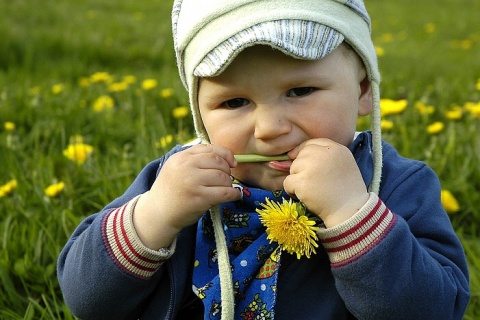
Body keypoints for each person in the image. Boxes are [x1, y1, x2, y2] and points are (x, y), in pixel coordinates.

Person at [57, 0, 470, 319]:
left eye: (301, 90)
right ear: (200, 112)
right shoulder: (177, 181)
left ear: (363, 89)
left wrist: (352, 213)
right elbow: (86, 301)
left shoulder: (397, 184)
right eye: (234, 101)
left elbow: (437, 308)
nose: (270, 127)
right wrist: (155, 215)